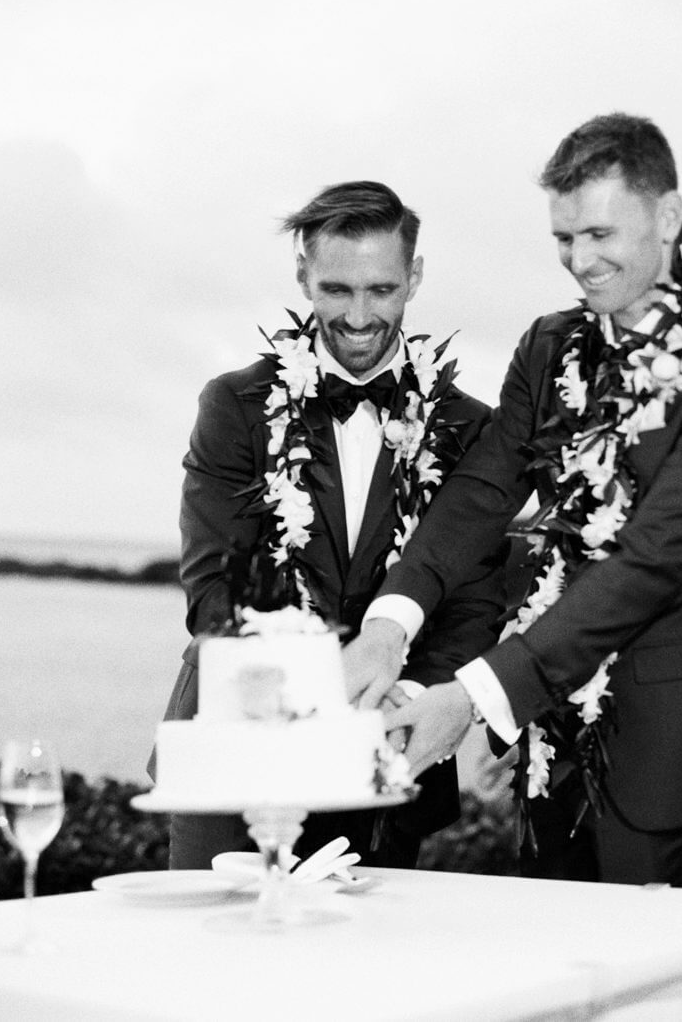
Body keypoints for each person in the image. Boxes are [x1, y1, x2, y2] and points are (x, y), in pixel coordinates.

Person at [345, 114, 682, 888]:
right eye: (563, 238)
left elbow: (648, 567)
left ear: (668, 215)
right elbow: (480, 495)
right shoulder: (549, 346)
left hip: (663, 760)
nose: (579, 262)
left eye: (598, 234)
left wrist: (476, 697)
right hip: (548, 746)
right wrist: (390, 625)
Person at [157, 179, 505, 870]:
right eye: (336, 289)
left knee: (369, 974)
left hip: (391, 765)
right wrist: (318, 701)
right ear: (302, 275)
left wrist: (400, 702)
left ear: (415, 277)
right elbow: (214, 594)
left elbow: (473, 601)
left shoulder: (470, 428)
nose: (357, 315)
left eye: (381, 289)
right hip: (239, 761)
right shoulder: (234, 406)